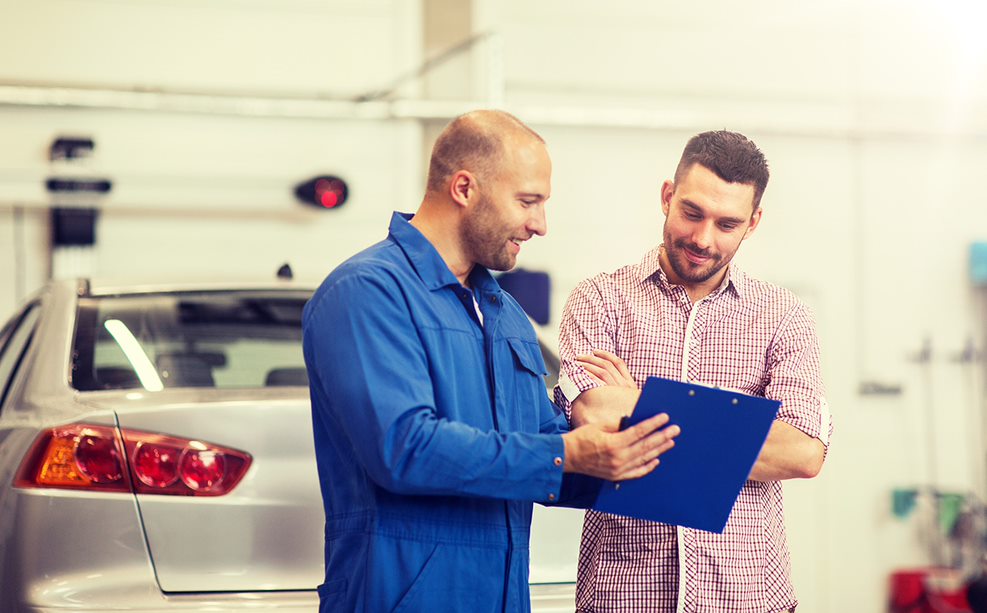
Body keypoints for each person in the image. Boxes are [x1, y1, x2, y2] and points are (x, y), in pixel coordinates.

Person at [301, 110, 681, 613]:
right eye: (528, 201)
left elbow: (549, 447)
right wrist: (568, 453)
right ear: (464, 188)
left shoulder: (505, 316)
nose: (540, 225)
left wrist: (632, 443)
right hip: (399, 597)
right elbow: (404, 448)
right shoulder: (367, 293)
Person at [554, 130, 832, 613]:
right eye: (692, 213)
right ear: (667, 196)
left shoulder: (785, 317)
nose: (704, 239)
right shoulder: (599, 299)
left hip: (747, 596)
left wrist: (638, 402)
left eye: (727, 224)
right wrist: (742, 425)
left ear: (753, 222)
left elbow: (804, 453)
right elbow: (595, 413)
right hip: (621, 594)